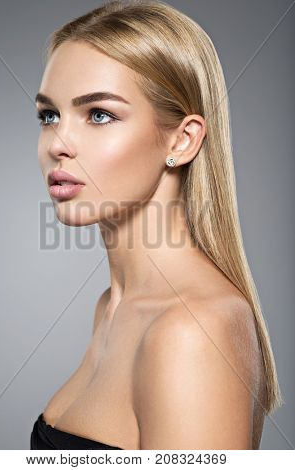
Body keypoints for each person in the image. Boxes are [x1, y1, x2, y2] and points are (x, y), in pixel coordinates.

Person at [31, 0, 283, 450]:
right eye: (49, 115)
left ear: (182, 140)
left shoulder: (189, 332)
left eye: (99, 114)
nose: (58, 144)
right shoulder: (112, 306)